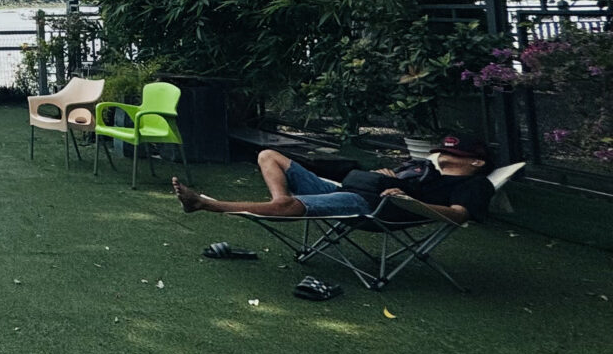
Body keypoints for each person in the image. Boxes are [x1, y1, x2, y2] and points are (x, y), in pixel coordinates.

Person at [171, 134, 495, 222]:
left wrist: (411, 201)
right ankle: (279, 200)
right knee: (268, 155)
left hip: (370, 205)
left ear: (476, 162)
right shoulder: (425, 168)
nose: (445, 154)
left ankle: (205, 205)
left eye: (455, 153)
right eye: (444, 150)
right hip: (351, 186)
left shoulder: (475, 184)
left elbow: (458, 215)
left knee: (289, 207)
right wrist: (391, 175)